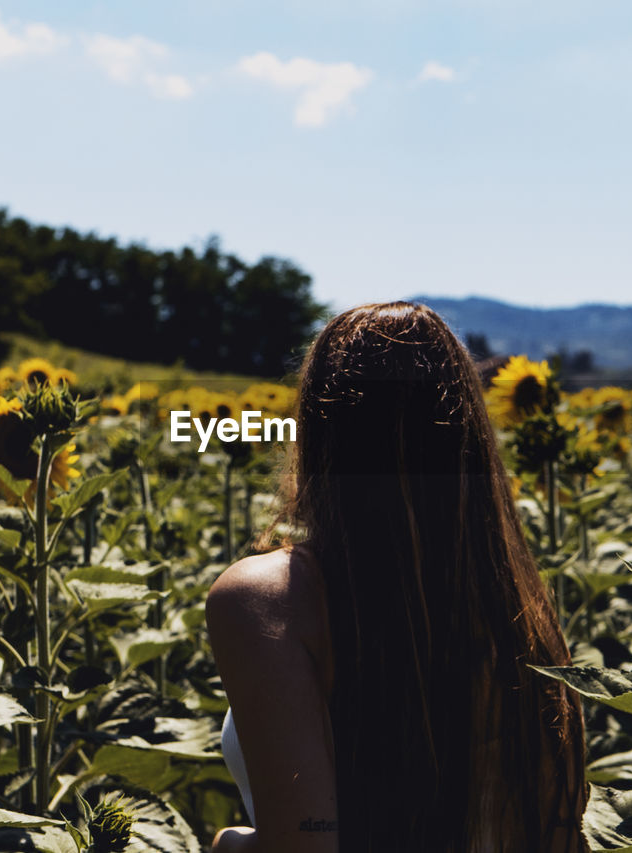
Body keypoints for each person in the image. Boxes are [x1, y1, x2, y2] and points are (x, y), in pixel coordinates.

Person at [206, 302, 587, 853]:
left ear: (317, 432)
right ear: (470, 441)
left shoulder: (268, 600)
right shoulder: (520, 612)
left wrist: (232, 844)